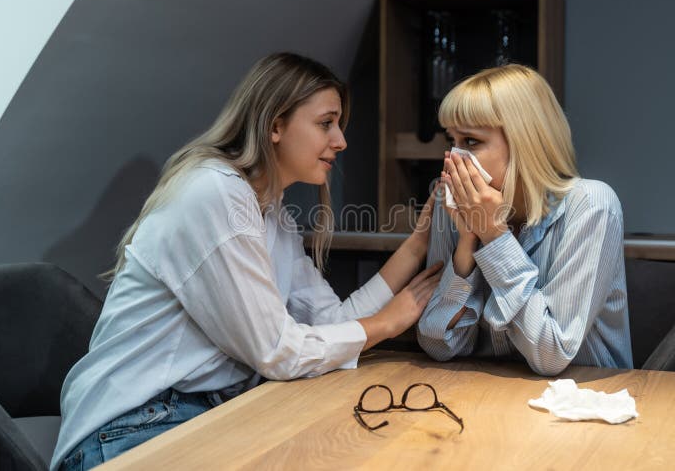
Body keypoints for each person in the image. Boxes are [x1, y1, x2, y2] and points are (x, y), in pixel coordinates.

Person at [52, 53, 443, 470]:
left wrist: (418, 244)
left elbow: (334, 324)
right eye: (326, 123)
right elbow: (276, 350)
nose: (341, 141)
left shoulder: (272, 215)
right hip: (131, 429)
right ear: (275, 125)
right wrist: (386, 323)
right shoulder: (215, 193)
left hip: (200, 418)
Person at [416, 64, 632, 376]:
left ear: (524, 142)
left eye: (471, 141)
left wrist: (494, 238)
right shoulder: (449, 204)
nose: (453, 157)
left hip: (585, 402)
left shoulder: (592, 205)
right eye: (452, 140)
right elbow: (439, 345)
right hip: (492, 401)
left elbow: (551, 354)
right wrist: (467, 245)